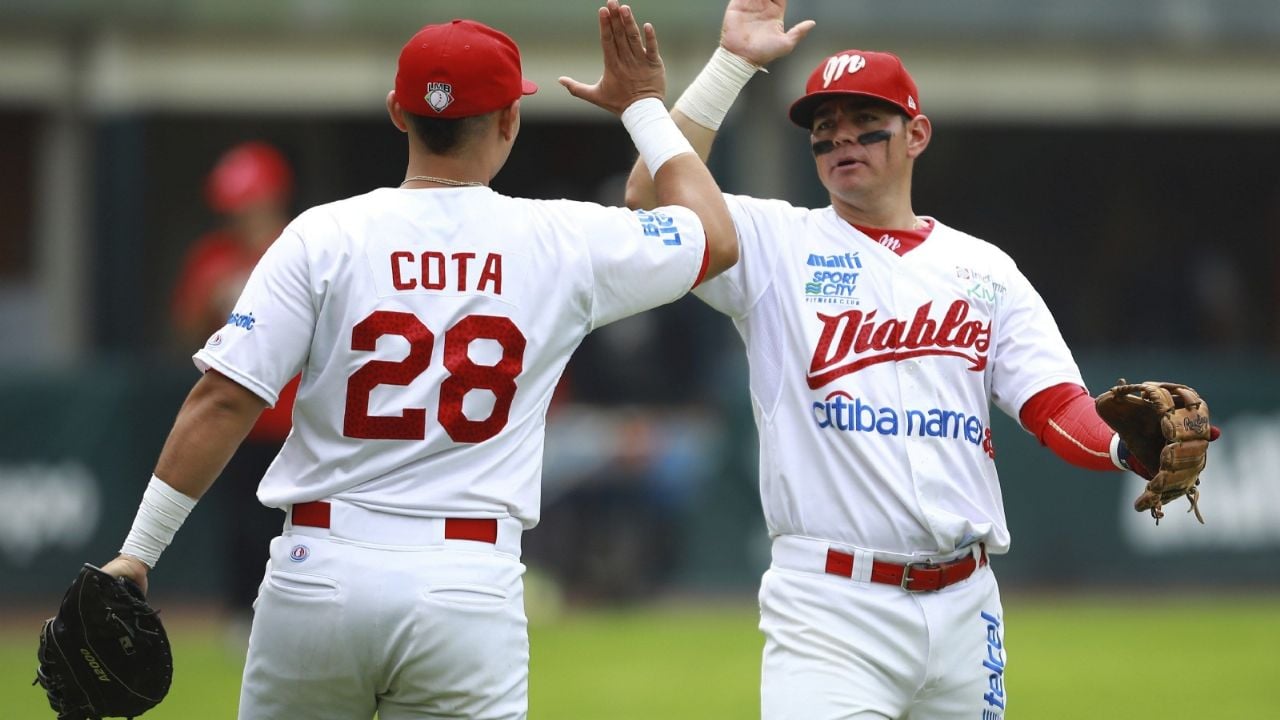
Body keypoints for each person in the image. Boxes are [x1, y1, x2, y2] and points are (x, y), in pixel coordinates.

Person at [99, 3, 736, 718]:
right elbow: (714, 234)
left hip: (319, 568)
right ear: (508, 121)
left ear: (398, 113)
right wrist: (644, 108)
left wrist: (138, 553)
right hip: (464, 582)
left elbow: (223, 399)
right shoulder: (562, 238)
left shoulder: (322, 234)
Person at [626, 1, 1209, 717]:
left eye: (864, 123)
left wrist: (1123, 447)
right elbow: (650, 196)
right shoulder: (774, 242)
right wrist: (732, 65)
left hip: (967, 606)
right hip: (829, 608)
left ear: (917, 134)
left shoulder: (983, 268)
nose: (842, 139)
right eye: (823, 130)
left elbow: (1056, 408)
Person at [170, 140, 301, 629]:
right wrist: (213, 294)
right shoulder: (212, 257)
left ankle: (288, 611)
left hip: (295, 415)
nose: (244, 215)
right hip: (236, 417)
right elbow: (185, 333)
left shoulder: (299, 243)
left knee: (291, 522)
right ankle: (237, 612)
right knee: (237, 524)